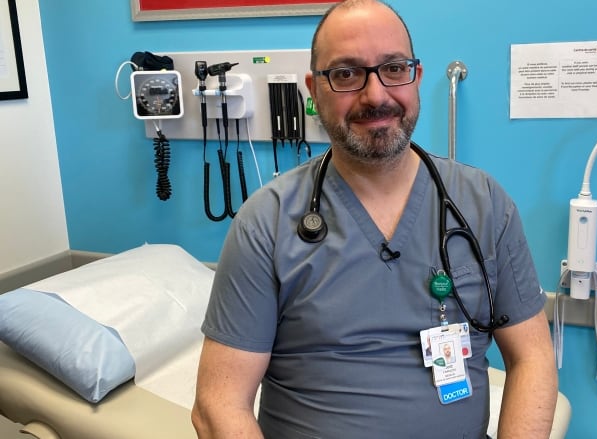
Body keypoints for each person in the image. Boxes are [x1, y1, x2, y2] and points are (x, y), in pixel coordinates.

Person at [191, 1, 558, 438]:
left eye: (394, 68)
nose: (376, 95)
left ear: (416, 76)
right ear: (314, 88)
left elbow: (532, 358)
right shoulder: (266, 223)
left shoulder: (485, 205)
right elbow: (219, 404)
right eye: (346, 73)